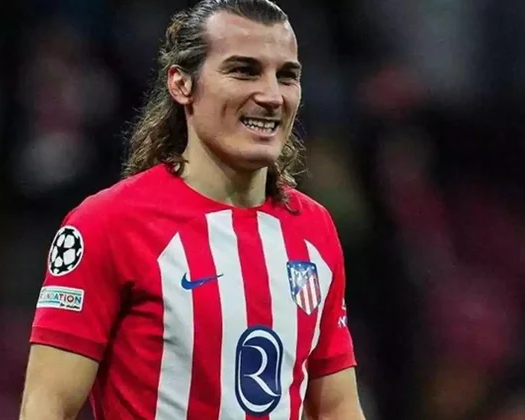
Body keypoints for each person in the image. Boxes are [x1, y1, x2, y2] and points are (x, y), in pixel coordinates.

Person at [19, 0, 366, 419]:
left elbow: (337, 408)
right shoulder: (107, 224)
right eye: (244, 71)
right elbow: (47, 406)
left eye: (286, 76)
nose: (272, 96)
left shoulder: (313, 229)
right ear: (182, 84)